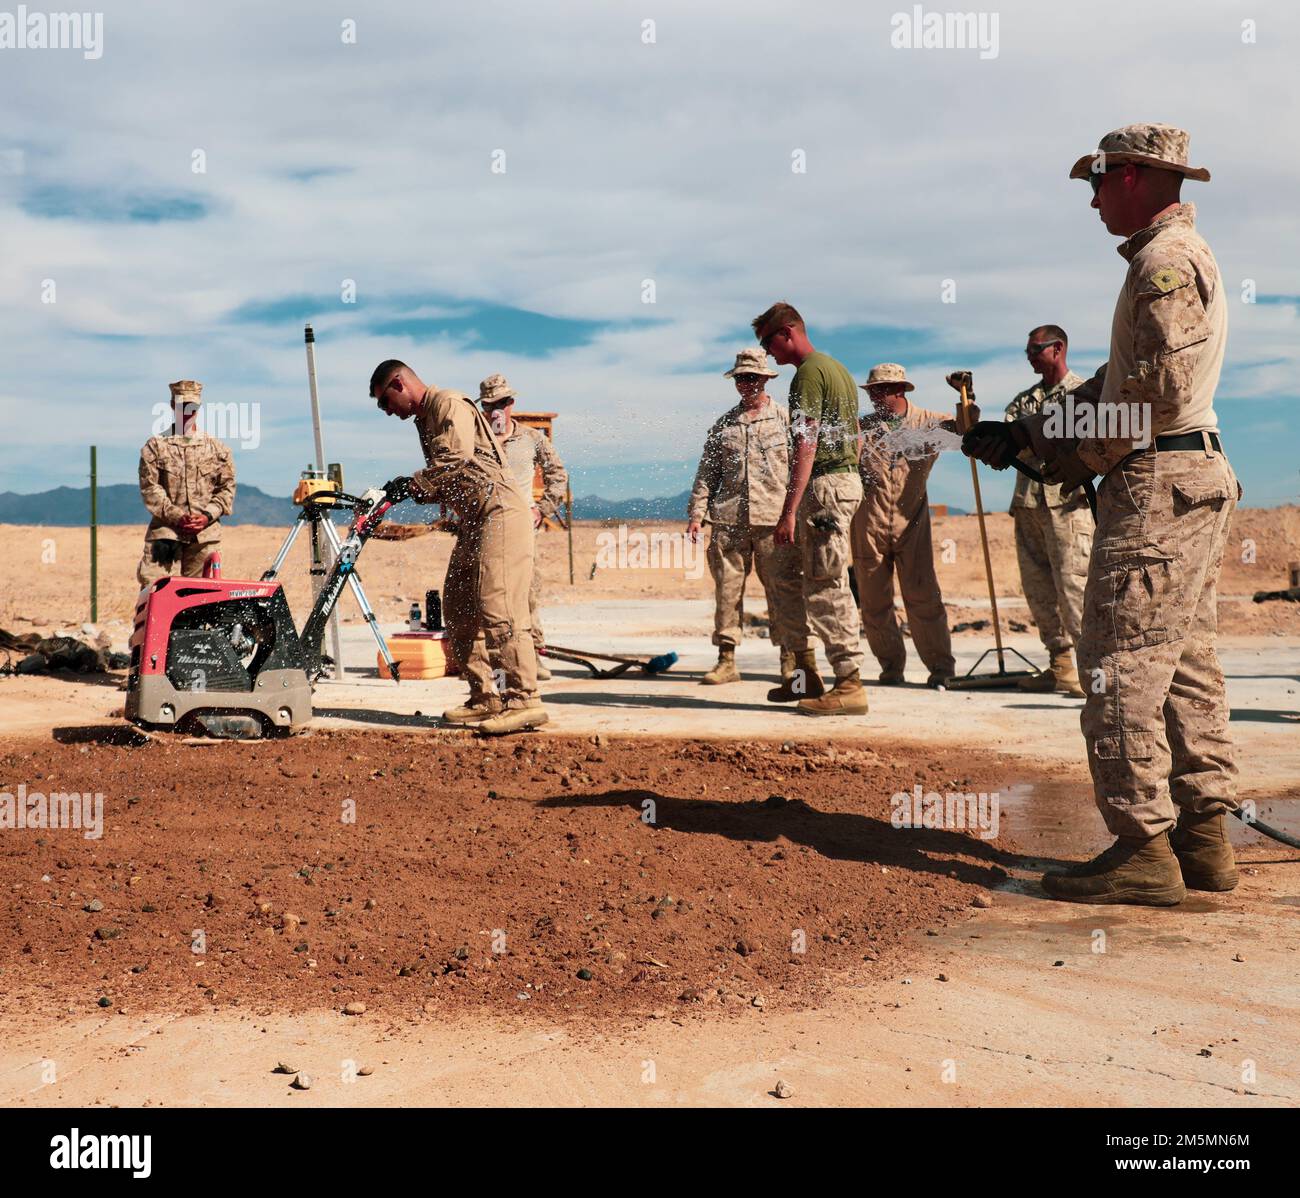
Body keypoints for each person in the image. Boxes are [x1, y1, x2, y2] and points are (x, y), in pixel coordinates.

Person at [963, 124, 1239, 905]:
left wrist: (1075, 458)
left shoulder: (1162, 264)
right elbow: (1117, 387)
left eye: (1097, 180)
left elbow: (1152, 396)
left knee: (1119, 669)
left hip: (1158, 485)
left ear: (1133, 177)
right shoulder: (1171, 259)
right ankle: (1203, 839)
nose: (1089, 197)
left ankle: (1143, 848)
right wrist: (1028, 433)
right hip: (1185, 476)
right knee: (1183, 666)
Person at [370, 359, 545, 735]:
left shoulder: (447, 403)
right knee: (460, 607)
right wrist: (412, 489)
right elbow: (449, 477)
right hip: (474, 518)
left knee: (498, 605)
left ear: (399, 384)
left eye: (385, 402)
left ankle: (523, 699)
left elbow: (457, 458)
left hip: (499, 510)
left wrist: (411, 482)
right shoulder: (424, 419)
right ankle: (487, 696)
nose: (387, 412)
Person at [751, 302, 865, 715]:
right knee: (786, 575)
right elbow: (856, 435)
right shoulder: (836, 370)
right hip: (832, 484)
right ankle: (804, 676)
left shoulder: (808, 376)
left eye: (767, 343)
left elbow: (807, 442)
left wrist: (788, 510)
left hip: (824, 487)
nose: (768, 354)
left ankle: (849, 685)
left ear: (788, 332)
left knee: (825, 585)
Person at [686, 348, 809, 686]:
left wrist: (796, 513)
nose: (746, 383)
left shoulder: (786, 420)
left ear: (766, 379)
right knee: (727, 591)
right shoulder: (723, 426)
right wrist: (698, 513)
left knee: (783, 591)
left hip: (775, 521)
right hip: (729, 522)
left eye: (752, 377)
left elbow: (803, 468)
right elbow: (707, 474)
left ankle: (790, 658)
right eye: (741, 378)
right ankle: (726, 659)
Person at [852, 363, 964, 688]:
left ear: (899, 390)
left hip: (912, 523)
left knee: (923, 598)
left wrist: (964, 398)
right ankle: (891, 667)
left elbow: (965, 430)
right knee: (874, 602)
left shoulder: (928, 422)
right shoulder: (862, 428)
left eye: (881, 390)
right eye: (871, 391)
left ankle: (942, 669)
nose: (874, 396)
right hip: (867, 524)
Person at [1004, 327, 1090, 696]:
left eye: (1035, 350)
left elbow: (1079, 442)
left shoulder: (1083, 393)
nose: (1029, 357)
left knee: (1074, 587)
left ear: (1058, 349)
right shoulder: (1027, 401)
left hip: (1068, 505)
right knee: (1038, 589)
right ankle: (1060, 664)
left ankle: (1093, 671)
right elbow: (1010, 440)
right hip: (1029, 505)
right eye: (1026, 351)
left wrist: (1037, 440)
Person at [477, 373, 568, 681]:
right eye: (489, 405)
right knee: (486, 596)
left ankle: (533, 657)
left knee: (526, 594)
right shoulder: (476, 443)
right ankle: (493, 662)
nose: (496, 410)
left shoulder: (531, 438)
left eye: (502, 403)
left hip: (522, 532)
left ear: (512, 403)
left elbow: (558, 475)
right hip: (485, 528)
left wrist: (542, 510)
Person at [136, 379, 235, 586]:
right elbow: (150, 489)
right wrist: (178, 517)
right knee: (155, 591)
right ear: (173, 406)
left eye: (192, 407)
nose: (187, 411)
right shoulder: (155, 447)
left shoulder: (217, 450)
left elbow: (226, 490)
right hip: (166, 532)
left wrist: (207, 516)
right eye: (182, 406)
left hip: (205, 536)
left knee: (201, 598)